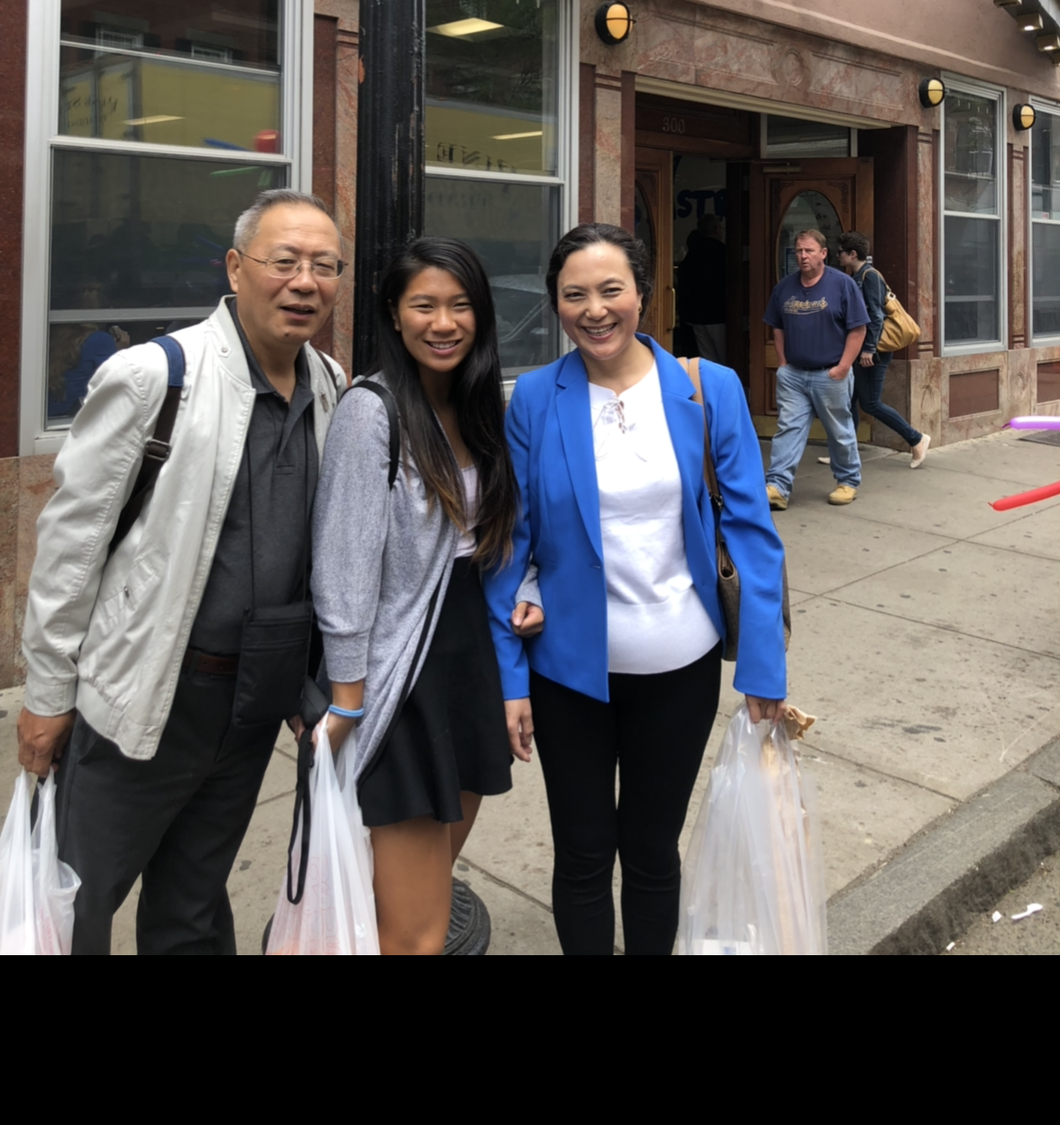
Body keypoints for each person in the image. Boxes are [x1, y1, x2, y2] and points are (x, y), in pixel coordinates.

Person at [16, 189, 347, 954]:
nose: (305, 282)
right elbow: (70, 548)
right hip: (149, 689)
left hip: (255, 703)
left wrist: (312, 684)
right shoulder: (155, 377)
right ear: (236, 267)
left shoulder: (331, 384)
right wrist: (47, 694)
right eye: (284, 261)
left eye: (324, 266)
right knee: (74, 901)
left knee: (193, 903)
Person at [488, 221, 788, 958]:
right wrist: (510, 677)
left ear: (644, 294)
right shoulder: (535, 397)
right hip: (568, 674)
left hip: (680, 667)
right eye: (574, 295)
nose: (594, 310)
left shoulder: (707, 387)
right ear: (557, 304)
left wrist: (764, 667)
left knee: (653, 851)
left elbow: (751, 531)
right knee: (583, 851)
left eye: (610, 289)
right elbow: (512, 540)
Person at [311, 238, 542, 957]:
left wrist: (526, 594)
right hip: (401, 670)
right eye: (424, 305)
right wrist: (348, 699)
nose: (444, 323)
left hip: (471, 654)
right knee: (414, 934)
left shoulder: (479, 406)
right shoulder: (370, 411)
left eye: (460, 305)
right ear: (393, 313)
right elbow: (342, 569)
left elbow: (502, 536)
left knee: (420, 884)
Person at [763, 227, 867, 508]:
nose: (803, 256)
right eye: (798, 250)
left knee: (839, 430)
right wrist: (783, 364)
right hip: (794, 374)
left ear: (823, 253)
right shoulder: (785, 287)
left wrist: (843, 367)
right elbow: (777, 327)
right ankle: (777, 486)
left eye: (809, 250)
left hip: (830, 374)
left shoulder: (842, 284)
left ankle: (847, 481)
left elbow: (858, 329)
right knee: (788, 429)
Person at [820, 232, 930, 468]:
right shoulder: (856, 277)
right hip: (860, 349)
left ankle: (917, 438)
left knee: (871, 403)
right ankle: (845, 452)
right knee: (849, 400)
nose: (838, 256)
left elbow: (876, 316)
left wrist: (869, 349)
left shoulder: (869, 276)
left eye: (840, 252)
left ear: (852, 254)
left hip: (873, 351)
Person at [675, 214, 727, 363]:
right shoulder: (722, 252)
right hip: (718, 315)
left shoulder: (691, 254)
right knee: (724, 359)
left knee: (707, 360)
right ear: (716, 229)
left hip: (696, 316)